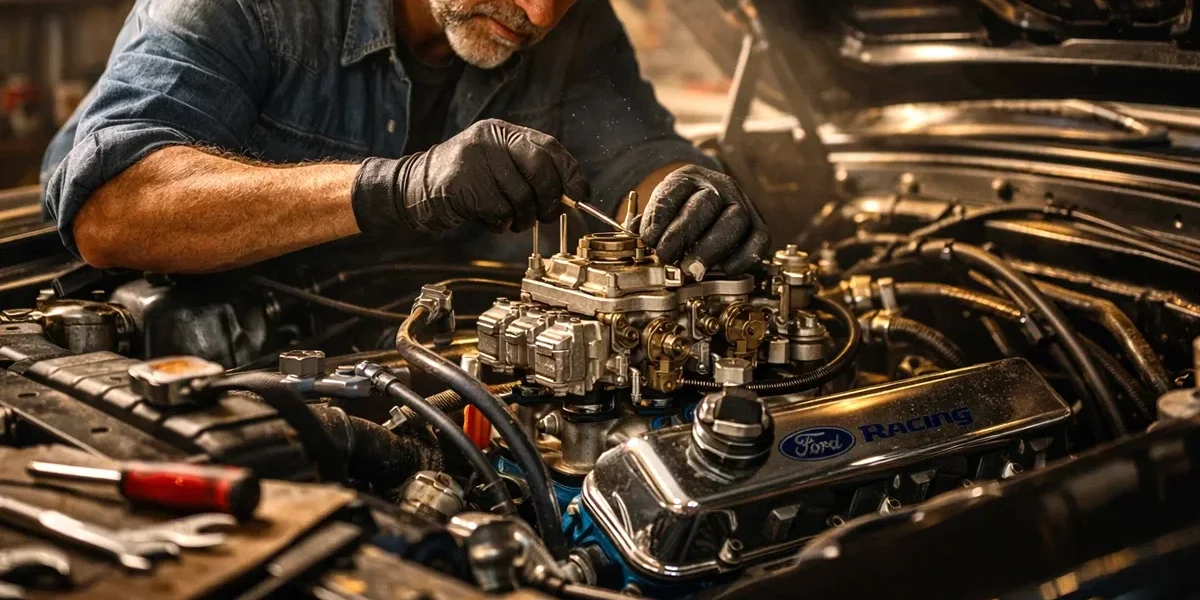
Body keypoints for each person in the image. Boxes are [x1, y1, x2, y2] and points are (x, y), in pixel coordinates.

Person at [41, 0, 769, 277]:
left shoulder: (572, 26)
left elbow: (639, 154)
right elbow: (112, 208)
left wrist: (686, 194)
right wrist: (396, 189)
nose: (541, 13)